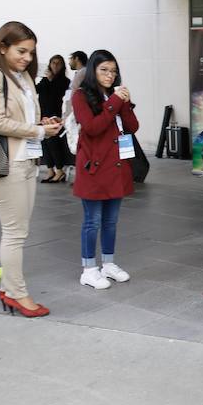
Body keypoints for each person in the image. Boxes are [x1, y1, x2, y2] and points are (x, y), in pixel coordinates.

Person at [0, 21, 62, 317]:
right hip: (6, 163)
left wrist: (43, 124)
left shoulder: (23, 78)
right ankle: (17, 294)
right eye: (21, 51)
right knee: (14, 233)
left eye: (31, 52)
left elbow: (25, 119)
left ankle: (9, 287)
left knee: (19, 231)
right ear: (3, 48)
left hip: (28, 161)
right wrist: (37, 132)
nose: (27, 58)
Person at [72, 50, 138, 290]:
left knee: (111, 221)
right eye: (104, 70)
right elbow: (91, 127)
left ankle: (108, 264)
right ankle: (89, 269)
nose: (110, 75)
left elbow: (132, 126)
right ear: (93, 71)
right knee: (93, 221)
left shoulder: (115, 96)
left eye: (113, 71)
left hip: (116, 166)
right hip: (94, 168)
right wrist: (114, 103)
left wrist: (125, 104)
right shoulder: (81, 96)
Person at [36, 54, 70, 183]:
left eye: (58, 63)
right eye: (53, 63)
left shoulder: (64, 81)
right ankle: (50, 169)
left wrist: (51, 81)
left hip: (54, 115)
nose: (55, 65)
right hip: (42, 114)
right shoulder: (45, 79)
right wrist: (46, 79)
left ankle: (60, 170)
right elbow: (36, 90)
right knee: (44, 143)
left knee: (53, 143)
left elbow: (56, 95)